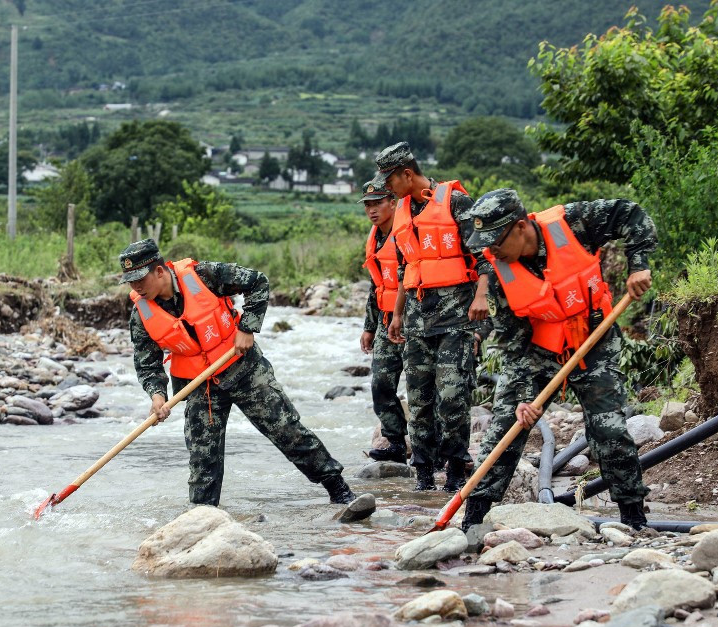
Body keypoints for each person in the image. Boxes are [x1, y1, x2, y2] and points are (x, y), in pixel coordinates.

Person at [460, 188, 655, 531]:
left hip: (594, 342)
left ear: (521, 227)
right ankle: (473, 520)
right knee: (505, 427)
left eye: (496, 241)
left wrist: (638, 266)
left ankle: (634, 519)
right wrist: (524, 398)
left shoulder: (573, 223)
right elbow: (513, 340)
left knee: (608, 429)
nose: (491, 251)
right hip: (539, 353)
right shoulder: (500, 272)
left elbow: (630, 213)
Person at [121, 239, 367, 511]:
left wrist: (247, 328)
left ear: (159, 271)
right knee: (203, 459)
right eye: (130, 282)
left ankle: (338, 489)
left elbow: (258, 282)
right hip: (200, 386)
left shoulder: (203, 275)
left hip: (244, 369)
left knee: (287, 430)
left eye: (140, 279)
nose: (136, 287)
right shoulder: (141, 314)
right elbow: (147, 363)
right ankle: (203, 518)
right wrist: (157, 395)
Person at [376, 142, 491, 492]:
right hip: (415, 320)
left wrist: (482, 297)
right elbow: (404, 269)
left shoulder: (456, 202)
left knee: (453, 396)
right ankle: (424, 473)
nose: (388, 189)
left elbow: (484, 255)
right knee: (419, 399)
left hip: (456, 319)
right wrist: (397, 315)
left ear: (407, 174)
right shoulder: (402, 211)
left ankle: (455, 469)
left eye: (390, 181)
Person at [358, 176, 409, 463]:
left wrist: (400, 316)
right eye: (367, 205)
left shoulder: (406, 232)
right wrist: (369, 326)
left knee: (421, 388)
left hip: (412, 320)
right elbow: (376, 285)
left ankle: (431, 450)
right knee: (380, 384)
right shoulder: (375, 237)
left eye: (377, 203)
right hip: (385, 319)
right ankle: (396, 442)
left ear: (393, 202)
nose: (372, 210)